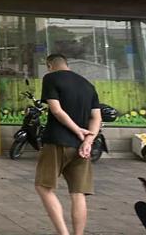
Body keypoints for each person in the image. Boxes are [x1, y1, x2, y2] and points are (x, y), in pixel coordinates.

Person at [35, 53, 102, 235]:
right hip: (81, 147)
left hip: (56, 141)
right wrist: (88, 140)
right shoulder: (88, 85)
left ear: (50, 65)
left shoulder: (51, 78)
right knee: (78, 194)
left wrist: (76, 129)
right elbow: (96, 118)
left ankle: (63, 233)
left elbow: (56, 110)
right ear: (67, 64)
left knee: (43, 187)